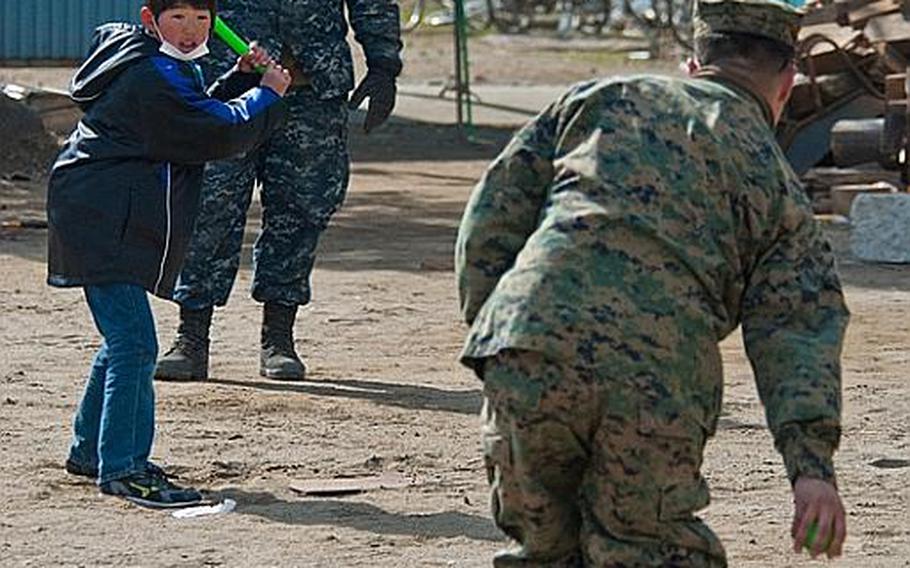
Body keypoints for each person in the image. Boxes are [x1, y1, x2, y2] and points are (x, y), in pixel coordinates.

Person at [455, 0, 849, 564]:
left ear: (692, 65)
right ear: (787, 84)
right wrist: (810, 469)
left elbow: (490, 220)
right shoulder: (777, 181)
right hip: (654, 378)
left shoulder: (596, 100)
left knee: (544, 552)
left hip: (526, 347)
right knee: (650, 550)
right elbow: (797, 327)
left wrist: (501, 336)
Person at [46, 0, 290, 507]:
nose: (190, 30)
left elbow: (193, 111)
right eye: (177, 18)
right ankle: (124, 469)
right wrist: (267, 95)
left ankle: (90, 451)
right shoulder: (150, 72)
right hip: (102, 217)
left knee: (122, 340)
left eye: (201, 19)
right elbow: (209, 131)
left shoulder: (155, 62)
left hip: (107, 211)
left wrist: (238, 81)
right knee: (136, 343)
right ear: (149, 19)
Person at [154, 0, 403, 382]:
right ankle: (191, 336)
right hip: (229, 81)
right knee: (209, 207)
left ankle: (279, 338)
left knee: (302, 209)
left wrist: (384, 63)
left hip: (312, 90)